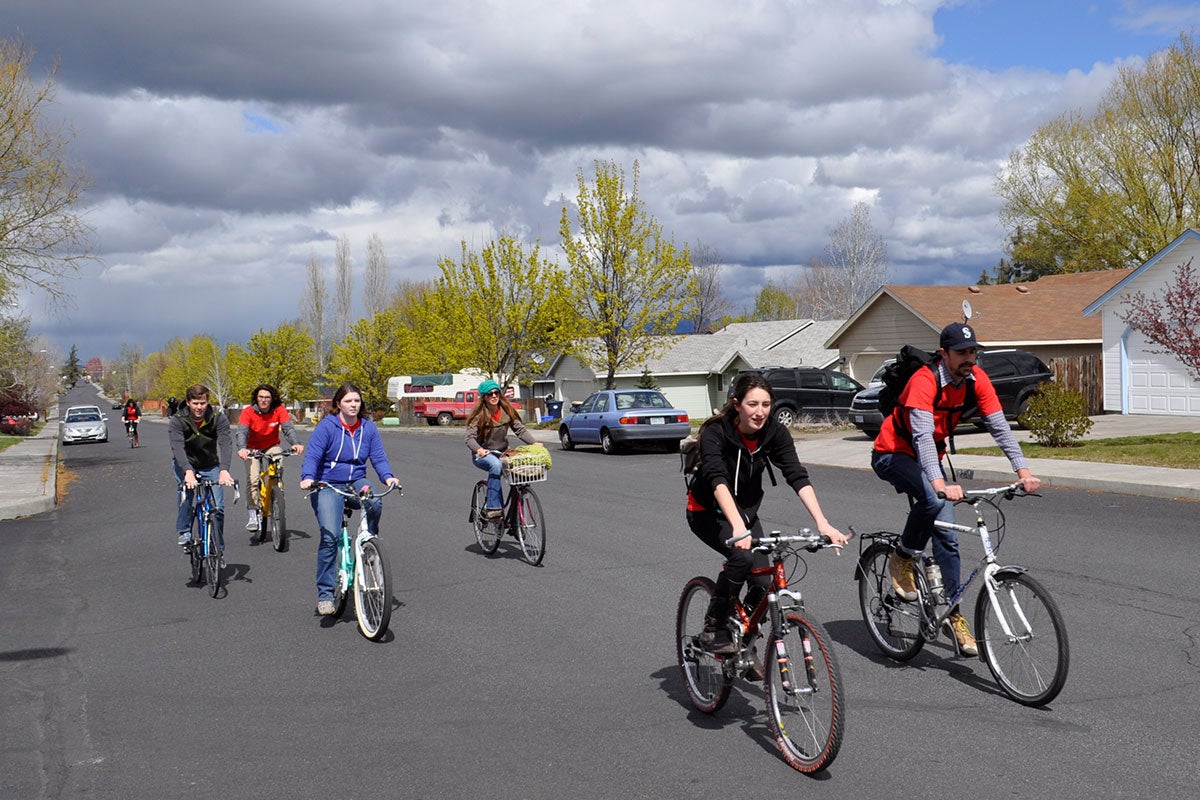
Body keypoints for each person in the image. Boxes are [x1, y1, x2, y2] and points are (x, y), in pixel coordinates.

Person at [871, 321, 1042, 656]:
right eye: (961, 352)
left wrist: (1023, 471)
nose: (968, 358)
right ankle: (901, 559)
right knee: (933, 502)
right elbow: (921, 435)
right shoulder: (924, 380)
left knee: (947, 537)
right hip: (892, 453)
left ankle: (952, 614)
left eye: (972, 351)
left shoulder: (976, 380)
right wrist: (938, 483)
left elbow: (999, 428)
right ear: (944, 354)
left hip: (930, 457)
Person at [686, 372, 848, 656]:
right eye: (752, 404)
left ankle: (744, 636)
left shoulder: (774, 432)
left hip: (745, 516)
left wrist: (823, 523)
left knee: (763, 581)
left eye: (766, 404)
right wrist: (737, 526)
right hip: (707, 513)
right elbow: (716, 479)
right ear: (736, 404)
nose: (760, 412)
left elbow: (796, 475)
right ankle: (715, 627)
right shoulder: (716, 431)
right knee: (742, 557)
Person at [299, 383, 400, 616]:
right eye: (348, 401)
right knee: (330, 536)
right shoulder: (327, 427)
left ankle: (370, 544)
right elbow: (313, 455)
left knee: (374, 500)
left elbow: (378, 457)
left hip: (356, 480)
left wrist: (388, 477)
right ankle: (325, 594)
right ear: (338, 404)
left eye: (357, 401)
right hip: (327, 484)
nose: (353, 405)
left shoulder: (368, 428)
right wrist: (308, 478)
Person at [168, 384, 236, 559]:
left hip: (210, 464)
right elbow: (177, 448)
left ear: (207, 402)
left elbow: (225, 444)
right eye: (196, 403)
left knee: (218, 508)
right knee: (186, 496)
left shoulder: (217, 418)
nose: (199, 407)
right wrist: (188, 471)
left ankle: (218, 550)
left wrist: (224, 470)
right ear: (188, 402)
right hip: (185, 463)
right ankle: (184, 531)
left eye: (203, 403)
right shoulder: (178, 420)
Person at [236, 384, 305, 534]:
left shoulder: (279, 410)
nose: (264, 400)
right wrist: (242, 448)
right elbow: (242, 431)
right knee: (253, 479)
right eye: (261, 397)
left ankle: (277, 491)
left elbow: (288, 429)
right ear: (256, 398)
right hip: (251, 448)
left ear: (272, 398)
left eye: (267, 397)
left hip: (271, 445)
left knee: (278, 458)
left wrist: (295, 443)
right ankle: (253, 514)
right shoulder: (248, 412)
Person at [465, 380, 536, 518]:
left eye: (496, 392)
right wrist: (479, 449)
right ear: (484, 397)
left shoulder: (506, 411)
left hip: (502, 451)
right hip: (483, 454)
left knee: (520, 470)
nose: (493, 396)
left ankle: (515, 521)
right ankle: (493, 508)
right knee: (496, 465)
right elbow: (469, 438)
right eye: (489, 394)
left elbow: (520, 430)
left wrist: (534, 443)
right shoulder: (478, 415)